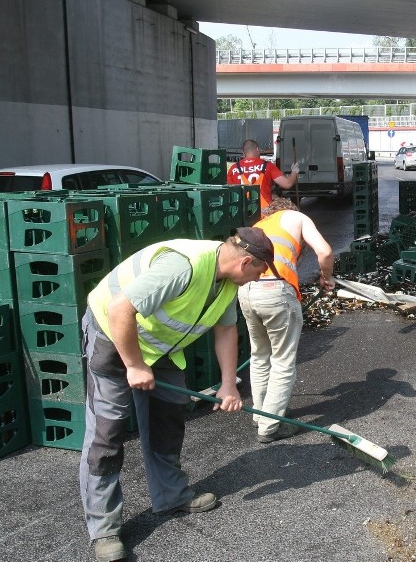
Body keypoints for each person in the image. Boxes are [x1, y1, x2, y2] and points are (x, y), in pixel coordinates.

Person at [80, 228, 281, 562]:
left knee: (168, 420)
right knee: (108, 433)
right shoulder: (184, 267)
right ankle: (104, 529)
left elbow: (226, 329)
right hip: (113, 337)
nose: (256, 280)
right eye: (259, 272)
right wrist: (133, 364)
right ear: (246, 261)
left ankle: (171, 496)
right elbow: (119, 310)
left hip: (159, 350)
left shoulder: (227, 283)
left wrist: (228, 383)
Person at [238, 197, 335, 443]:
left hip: (247, 291)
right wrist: (327, 277)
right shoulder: (297, 217)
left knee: (259, 356)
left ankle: (261, 415)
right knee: (282, 361)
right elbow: (324, 252)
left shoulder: (261, 224)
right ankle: (270, 427)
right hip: (276, 293)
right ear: (289, 209)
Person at [227, 139, 300, 211]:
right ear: (258, 149)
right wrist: (294, 171)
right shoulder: (267, 165)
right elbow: (287, 184)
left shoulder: (233, 168)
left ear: (243, 152)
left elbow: (229, 192)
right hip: (264, 212)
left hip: (242, 213)